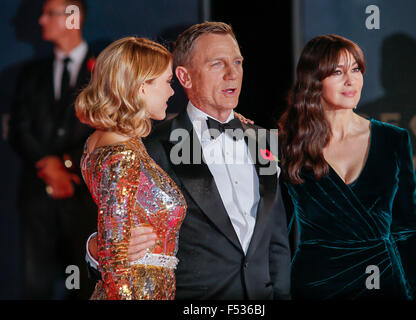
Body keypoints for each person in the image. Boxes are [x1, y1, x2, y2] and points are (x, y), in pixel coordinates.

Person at [86, 21, 291, 300]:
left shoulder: (263, 140)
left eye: (238, 62)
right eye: (217, 64)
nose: (233, 74)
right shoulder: (150, 146)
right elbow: (106, 225)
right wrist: (97, 247)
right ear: (184, 77)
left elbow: (276, 241)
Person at [278, 34, 416, 299]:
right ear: (314, 80)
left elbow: (407, 227)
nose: (351, 81)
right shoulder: (288, 145)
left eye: (356, 69)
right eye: (338, 72)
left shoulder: (393, 140)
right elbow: (278, 234)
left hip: (384, 283)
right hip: (316, 285)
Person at [75, 36, 186, 300]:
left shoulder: (111, 142)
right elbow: (114, 258)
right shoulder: (121, 153)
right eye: (167, 82)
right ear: (141, 86)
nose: (172, 91)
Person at [8, 0, 97, 299]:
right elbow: (19, 128)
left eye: (49, 13)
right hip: (37, 198)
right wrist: (48, 164)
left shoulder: (102, 71)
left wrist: (67, 164)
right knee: (36, 286)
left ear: (73, 18)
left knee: (83, 285)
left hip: (84, 197)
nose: (41, 20)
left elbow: (106, 126)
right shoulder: (30, 74)